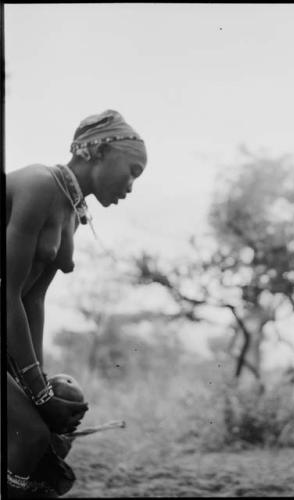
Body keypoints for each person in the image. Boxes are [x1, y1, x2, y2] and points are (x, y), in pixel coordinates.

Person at [6, 109, 148, 497]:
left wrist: (39, 386)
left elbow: (32, 300)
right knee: (31, 434)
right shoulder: (39, 184)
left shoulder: (71, 213)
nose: (132, 186)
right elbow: (7, 292)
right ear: (98, 151)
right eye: (132, 170)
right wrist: (36, 392)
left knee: (52, 421)